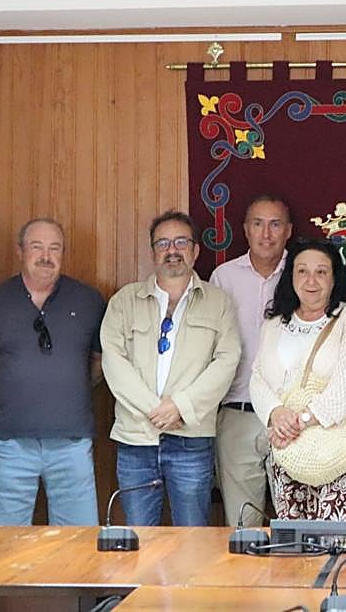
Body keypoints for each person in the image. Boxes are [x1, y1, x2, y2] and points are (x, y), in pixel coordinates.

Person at [100, 210, 240, 526]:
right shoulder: (124, 301)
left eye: (180, 242)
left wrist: (180, 407)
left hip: (191, 438)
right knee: (139, 538)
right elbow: (113, 359)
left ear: (195, 250)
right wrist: (155, 410)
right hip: (137, 439)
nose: (171, 250)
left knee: (192, 540)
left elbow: (227, 360)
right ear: (152, 253)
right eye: (163, 243)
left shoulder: (218, 303)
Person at [0, 218, 106, 526]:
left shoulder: (89, 300)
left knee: (78, 544)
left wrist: (62, 391)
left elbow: (99, 361)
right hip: (9, 444)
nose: (46, 256)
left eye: (54, 248)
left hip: (72, 444)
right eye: (37, 247)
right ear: (20, 251)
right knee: (1, 547)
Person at [249, 238, 346, 520]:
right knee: (291, 542)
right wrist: (275, 414)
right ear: (290, 276)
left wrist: (298, 423)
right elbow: (257, 379)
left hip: (333, 444)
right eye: (302, 271)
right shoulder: (274, 323)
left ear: (334, 278)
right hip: (284, 446)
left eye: (321, 272)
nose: (311, 280)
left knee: (333, 542)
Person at [209, 194, 292, 526]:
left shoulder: (303, 273)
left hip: (292, 417)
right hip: (237, 412)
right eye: (258, 224)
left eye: (275, 224)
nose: (266, 233)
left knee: (296, 520)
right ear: (245, 229)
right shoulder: (223, 278)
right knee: (243, 525)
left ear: (288, 230)